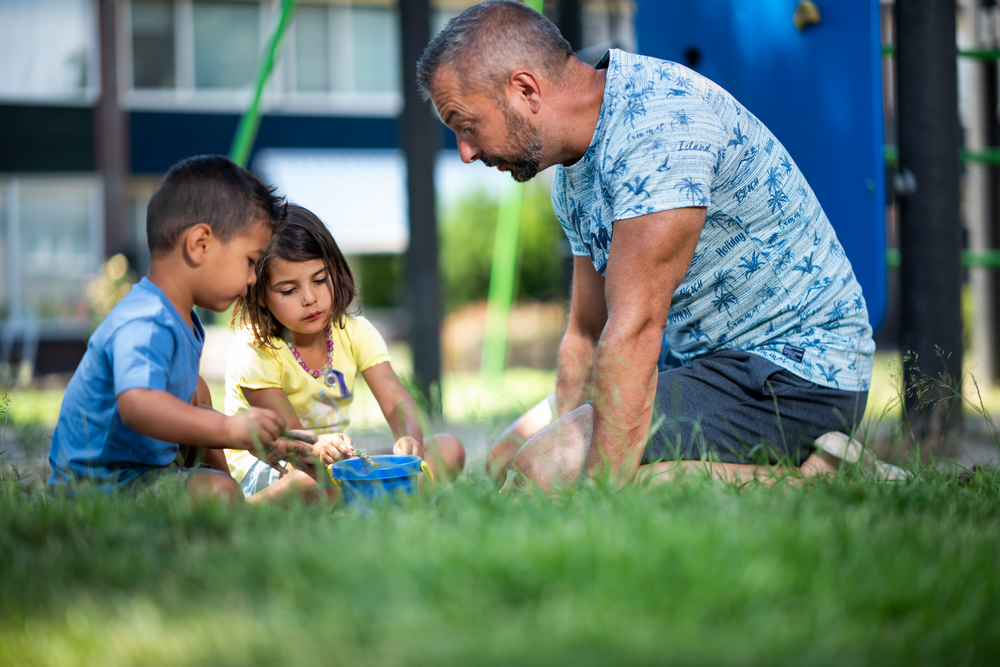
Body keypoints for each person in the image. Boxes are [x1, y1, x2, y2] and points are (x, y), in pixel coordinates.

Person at [417, 1, 874, 491]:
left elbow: (633, 331)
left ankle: (822, 479)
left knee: (547, 470)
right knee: (509, 460)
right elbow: (588, 332)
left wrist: (591, 491)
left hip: (793, 376)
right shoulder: (574, 173)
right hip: (707, 369)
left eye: (466, 126)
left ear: (526, 89)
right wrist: (564, 432)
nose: (466, 152)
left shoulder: (658, 131)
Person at [47, 155, 310, 501]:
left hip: (141, 467)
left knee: (197, 391)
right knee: (217, 492)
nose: (251, 279)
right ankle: (239, 503)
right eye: (250, 261)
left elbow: (187, 407)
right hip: (99, 486)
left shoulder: (179, 317)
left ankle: (229, 492)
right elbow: (139, 405)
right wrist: (229, 428)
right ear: (200, 244)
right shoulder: (147, 320)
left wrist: (248, 434)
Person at [224, 205, 466, 502]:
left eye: (319, 280)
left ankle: (367, 496)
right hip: (273, 468)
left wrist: (408, 440)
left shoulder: (356, 332)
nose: (310, 298)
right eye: (289, 290)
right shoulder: (255, 350)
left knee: (448, 448)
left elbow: (396, 403)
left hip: (334, 465)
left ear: (334, 272)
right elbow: (289, 441)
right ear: (259, 293)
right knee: (316, 482)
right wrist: (320, 448)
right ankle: (251, 510)